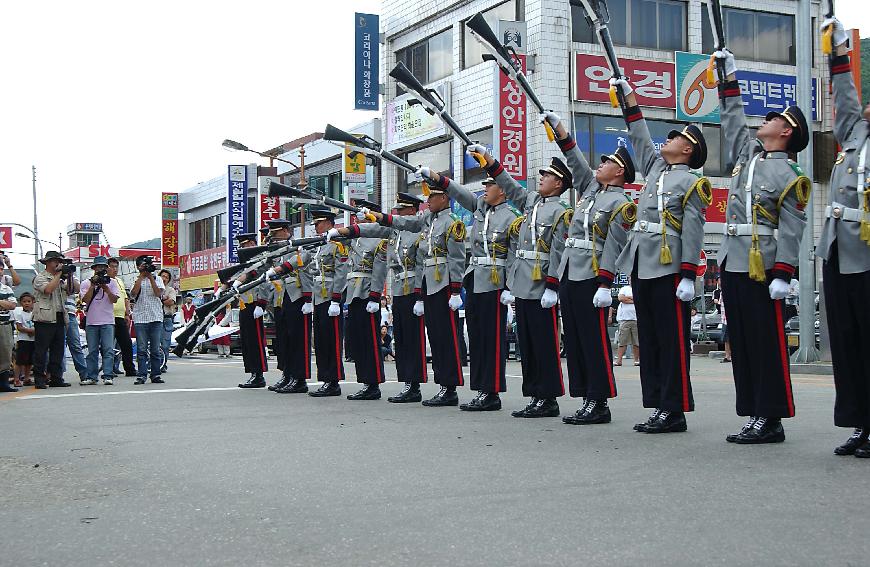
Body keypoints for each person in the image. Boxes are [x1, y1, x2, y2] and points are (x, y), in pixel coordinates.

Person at [713, 48, 810, 445]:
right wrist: (727, 80)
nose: (764, 121)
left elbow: (793, 226)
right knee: (744, 343)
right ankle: (753, 412)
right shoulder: (748, 158)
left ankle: (771, 417)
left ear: (786, 132)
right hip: (734, 262)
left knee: (766, 344)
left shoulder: (789, 173)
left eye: (772, 119)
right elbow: (732, 120)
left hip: (764, 268)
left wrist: (784, 273)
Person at [611, 77, 711, 434]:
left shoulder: (691, 182)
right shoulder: (655, 170)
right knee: (651, 340)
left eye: (676, 137)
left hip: (669, 269)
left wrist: (687, 274)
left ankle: (675, 408)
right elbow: (639, 135)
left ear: (689, 150)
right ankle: (657, 405)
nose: (667, 140)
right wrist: (628, 99)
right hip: (642, 263)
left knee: (671, 341)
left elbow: (694, 229)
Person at [541, 112, 637, 425]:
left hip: (593, 275)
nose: (600, 164)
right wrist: (560, 130)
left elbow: (614, 243)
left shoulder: (621, 203)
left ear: (619, 171)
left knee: (594, 340)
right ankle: (585, 397)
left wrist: (605, 283)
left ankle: (600, 401)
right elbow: (575, 161)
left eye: (607, 161)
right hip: (571, 271)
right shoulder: (592, 192)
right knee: (577, 339)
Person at [470, 146, 572, 419]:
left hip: (541, 283)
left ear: (559, 183)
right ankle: (535, 394)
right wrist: (490, 162)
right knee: (527, 343)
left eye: (547, 176)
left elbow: (559, 250)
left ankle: (548, 397)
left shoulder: (561, 211)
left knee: (544, 343)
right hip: (523, 282)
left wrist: (553, 285)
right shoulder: (531, 203)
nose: (541, 178)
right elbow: (508, 184)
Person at [411, 167, 520, 412]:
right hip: (475, 280)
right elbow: (459, 193)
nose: (484, 189)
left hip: (495, 282)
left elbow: (513, 254)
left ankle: (491, 392)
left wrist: (509, 287)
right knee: (478, 339)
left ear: (502, 190)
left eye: (489, 185)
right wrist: (437, 177)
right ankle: (481, 389)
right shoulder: (482, 209)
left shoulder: (512, 217)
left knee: (491, 339)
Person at [815, 17, 870, 458]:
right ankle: (860, 423)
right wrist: (836, 54)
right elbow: (846, 100)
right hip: (838, 251)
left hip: (867, 255)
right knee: (848, 345)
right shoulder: (855, 136)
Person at [364, 184, 467, 407]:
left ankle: (448, 387)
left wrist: (456, 289)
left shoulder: (450, 223)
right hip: (424, 285)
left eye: (432, 196)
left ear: (445, 197)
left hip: (442, 284)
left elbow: (457, 259)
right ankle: (425, 385)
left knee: (444, 338)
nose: (428, 201)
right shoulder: (429, 223)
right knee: (427, 338)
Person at [334, 192, 429, 402]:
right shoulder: (393, 232)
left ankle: (414, 384)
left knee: (412, 339)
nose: (398, 213)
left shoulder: (417, 231)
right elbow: (369, 229)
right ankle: (404, 382)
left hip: (412, 288)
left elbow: (418, 263)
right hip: (397, 288)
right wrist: (345, 231)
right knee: (401, 340)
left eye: (402, 210)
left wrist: (419, 295)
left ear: (412, 210)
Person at [323, 200, 388, 400]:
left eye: (363, 213)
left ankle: (373, 383)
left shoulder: (379, 237)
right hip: (353, 293)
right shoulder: (356, 239)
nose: (358, 217)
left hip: (368, 293)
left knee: (370, 340)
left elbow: (379, 268)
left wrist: (376, 296)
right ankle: (365, 381)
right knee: (358, 341)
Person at [295, 207, 350, 397]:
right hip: (318, 298)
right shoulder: (319, 246)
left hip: (330, 299)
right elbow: (311, 271)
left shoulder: (338, 245)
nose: (316, 227)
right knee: (320, 341)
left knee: (332, 341)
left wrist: (336, 300)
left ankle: (333, 381)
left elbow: (341, 273)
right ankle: (325, 378)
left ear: (328, 222)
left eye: (318, 223)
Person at [264, 219, 313, 394]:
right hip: (281, 296)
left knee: (298, 340)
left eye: (276, 234)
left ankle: (299, 378)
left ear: (286, 231)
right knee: (284, 340)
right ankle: (288, 374)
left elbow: (300, 263)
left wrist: (308, 300)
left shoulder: (299, 246)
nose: (274, 237)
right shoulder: (278, 249)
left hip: (298, 295)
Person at [230, 233, 272, 389]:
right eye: (241, 246)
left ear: (253, 244)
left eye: (245, 244)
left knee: (255, 340)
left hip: (255, 303)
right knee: (247, 341)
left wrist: (261, 304)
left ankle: (258, 374)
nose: (243, 248)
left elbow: (264, 282)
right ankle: (252, 373)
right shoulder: (246, 262)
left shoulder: (261, 260)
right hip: (244, 303)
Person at [31, 251, 74, 389]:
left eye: (60, 261)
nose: (58, 263)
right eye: (55, 261)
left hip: (60, 316)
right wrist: (59, 274)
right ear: (48, 263)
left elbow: (72, 290)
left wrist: (70, 276)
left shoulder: (61, 278)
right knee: (41, 350)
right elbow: (48, 289)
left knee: (58, 350)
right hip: (44, 318)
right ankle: (39, 379)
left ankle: (56, 378)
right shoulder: (40, 277)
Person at [79, 256, 119, 385]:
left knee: (108, 350)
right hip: (92, 322)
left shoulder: (112, 282)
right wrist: (93, 285)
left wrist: (106, 288)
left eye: (103, 267)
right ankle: (92, 376)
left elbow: (114, 300)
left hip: (107, 321)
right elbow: (85, 300)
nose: (101, 270)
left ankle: (108, 375)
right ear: (94, 269)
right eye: (98, 267)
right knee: (92, 351)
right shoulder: (86, 283)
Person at [130, 255, 166, 385]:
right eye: (142, 266)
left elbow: (158, 293)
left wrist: (150, 277)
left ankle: (155, 374)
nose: (145, 268)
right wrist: (141, 277)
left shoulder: (158, 278)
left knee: (155, 349)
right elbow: (133, 294)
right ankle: (141, 375)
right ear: (138, 267)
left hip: (155, 317)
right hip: (140, 318)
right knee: (141, 349)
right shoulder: (135, 279)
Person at [107, 257, 136, 377]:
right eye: (112, 267)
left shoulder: (119, 281)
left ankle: (130, 369)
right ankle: (108, 370)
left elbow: (125, 298)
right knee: (108, 346)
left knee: (126, 344)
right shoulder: (104, 281)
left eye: (116, 267)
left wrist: (127, 314)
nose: (115, 269)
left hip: (120, 316)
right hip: (108, 317)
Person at [13, 292, 36, 387]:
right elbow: (19, 327)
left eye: (29, 301)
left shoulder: (34, 314)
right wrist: (30, 331)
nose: (27, 303)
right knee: (20, 361)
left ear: (33, 302)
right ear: (20, 303)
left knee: (29, 361)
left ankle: (27, 378)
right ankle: (17, 379)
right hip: (23, 340)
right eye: (24, 301)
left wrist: (34, 332)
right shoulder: (19, 314)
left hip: (33, 341)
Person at [615, 285, 640, 367]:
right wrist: (634, 299)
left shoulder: (639, 287)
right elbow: (621, 298)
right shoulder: (624, 289)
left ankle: (636, 360)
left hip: (637, 319)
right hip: (625, 319)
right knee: (622, 341)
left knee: (637, 342)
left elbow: (641, 299)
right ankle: (619, 360)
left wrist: (628, 298)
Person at [0, 277, 17, 392]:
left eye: (1, 269)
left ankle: (3, 383)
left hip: (4, 324)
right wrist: (3, 303)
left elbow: (12, 305)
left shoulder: (6, 289)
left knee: (6, 353)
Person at [158, 269, 177, 373]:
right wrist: (163, 298)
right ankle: (157, 364)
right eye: (162, 276)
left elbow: (171, 302)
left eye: (166, 277)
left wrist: (160, 299)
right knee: (156, 344)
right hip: (156, 319)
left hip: (167, 319)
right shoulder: (154, 288)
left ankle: (163, 364)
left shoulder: (170, 290)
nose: (164, 278)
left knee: (165, 344)